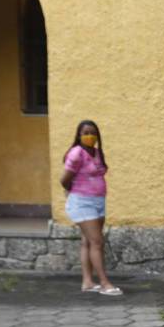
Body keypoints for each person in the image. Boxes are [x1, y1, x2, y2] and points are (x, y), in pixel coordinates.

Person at [60, 120, 121, 297]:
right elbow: (64, 179)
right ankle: (104, 283)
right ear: (78, 136)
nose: (89, 136)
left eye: (93, 132)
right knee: (97, 242)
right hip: (82, 202)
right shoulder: (76, 153)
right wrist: (72, 191)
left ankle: (87, 282)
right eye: (85, 133)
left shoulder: (96, 152)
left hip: (98, 202)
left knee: (87, 241)